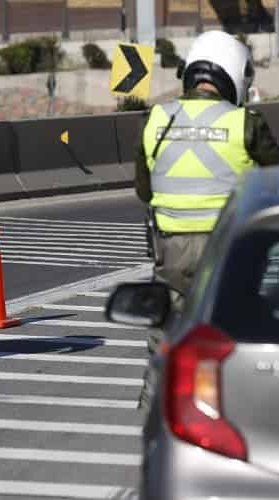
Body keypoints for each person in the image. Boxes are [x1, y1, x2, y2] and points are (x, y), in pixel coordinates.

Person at [134, 30, 279, 408]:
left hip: (171, 251)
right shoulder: (245, 124)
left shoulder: (157, 120)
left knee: (166, 329)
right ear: (234, 75)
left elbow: (143, 190)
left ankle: (154, 401)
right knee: (237, 328)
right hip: (228, 251)